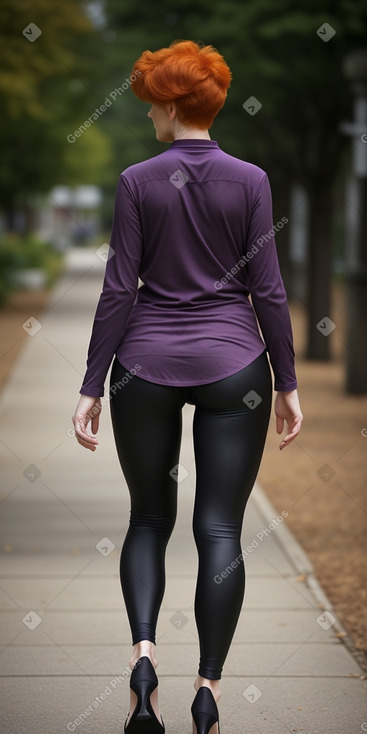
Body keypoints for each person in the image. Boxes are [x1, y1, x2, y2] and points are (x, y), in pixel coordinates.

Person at [72, 39, 303, 734]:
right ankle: (208, 690)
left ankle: (144, 666)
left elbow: (119, 290)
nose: (147, 118)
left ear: (172, 106)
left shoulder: (137, 181)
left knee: (147, 519)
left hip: (143, 366)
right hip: (236, 366)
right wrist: (286, 381)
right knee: (220, 528)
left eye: (150, 107)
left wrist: (90, 384)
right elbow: (267, 289)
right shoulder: (251, 180)